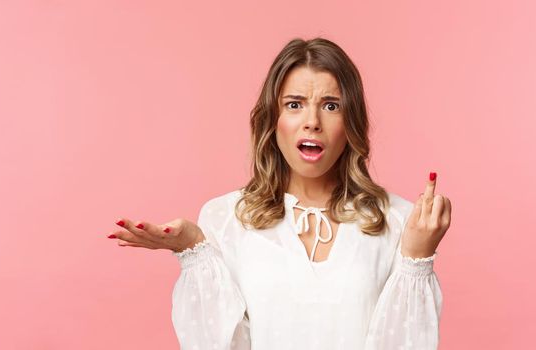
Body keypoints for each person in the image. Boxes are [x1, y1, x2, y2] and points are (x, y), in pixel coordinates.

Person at [107, 37, 452, 350]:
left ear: (352, 123)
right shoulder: (226, 218)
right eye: (294, 104)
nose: (312, 121)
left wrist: (416, 259)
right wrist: (193, 251)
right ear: (273, 120)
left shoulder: (397, 220)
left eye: (331, 106)